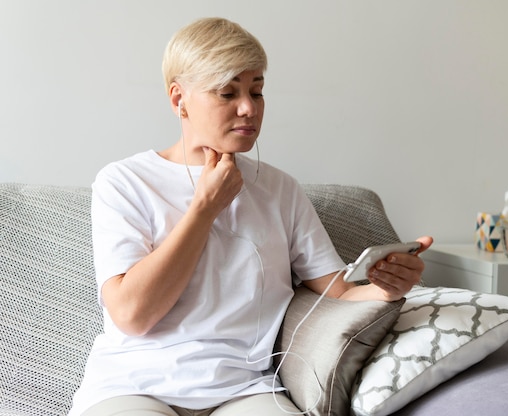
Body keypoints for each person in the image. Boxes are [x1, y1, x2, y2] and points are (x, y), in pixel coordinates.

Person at [70, 17, 433, 416]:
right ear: (179, 100)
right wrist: (205, 209)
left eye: (257, 92)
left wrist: (386, 289)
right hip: (133, 388)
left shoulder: (281, 190)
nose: (248, 108)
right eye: (227, 93)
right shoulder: (125, 181)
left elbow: (341, 292)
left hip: (244, 391)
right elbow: (131, 315)